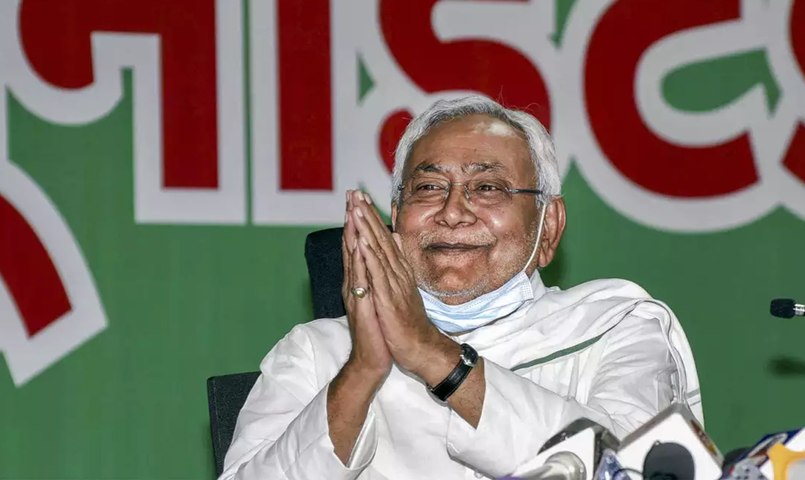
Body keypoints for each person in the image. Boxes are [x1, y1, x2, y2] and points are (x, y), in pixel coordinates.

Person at [219, 96, 703, 480]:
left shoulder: (617, 325)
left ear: (549, 226)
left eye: (487, 188)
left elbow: (631, 468)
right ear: (395, 219)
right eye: (429, 188)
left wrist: (434, 354)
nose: (452, 212)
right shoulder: (318, 352)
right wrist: (363, 370)